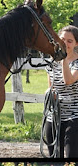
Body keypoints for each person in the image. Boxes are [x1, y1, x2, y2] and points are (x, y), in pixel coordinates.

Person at [45, 25, 78, 158]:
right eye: (62, 39)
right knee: (54, 157)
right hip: (54, 116)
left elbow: (68, 80)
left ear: (76, 43)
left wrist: (63, 58)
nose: (65, 43)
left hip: (74, 116)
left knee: (72, 157)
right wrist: (49, 94)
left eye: (69, 41)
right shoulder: (50, 62)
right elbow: (52, 87)